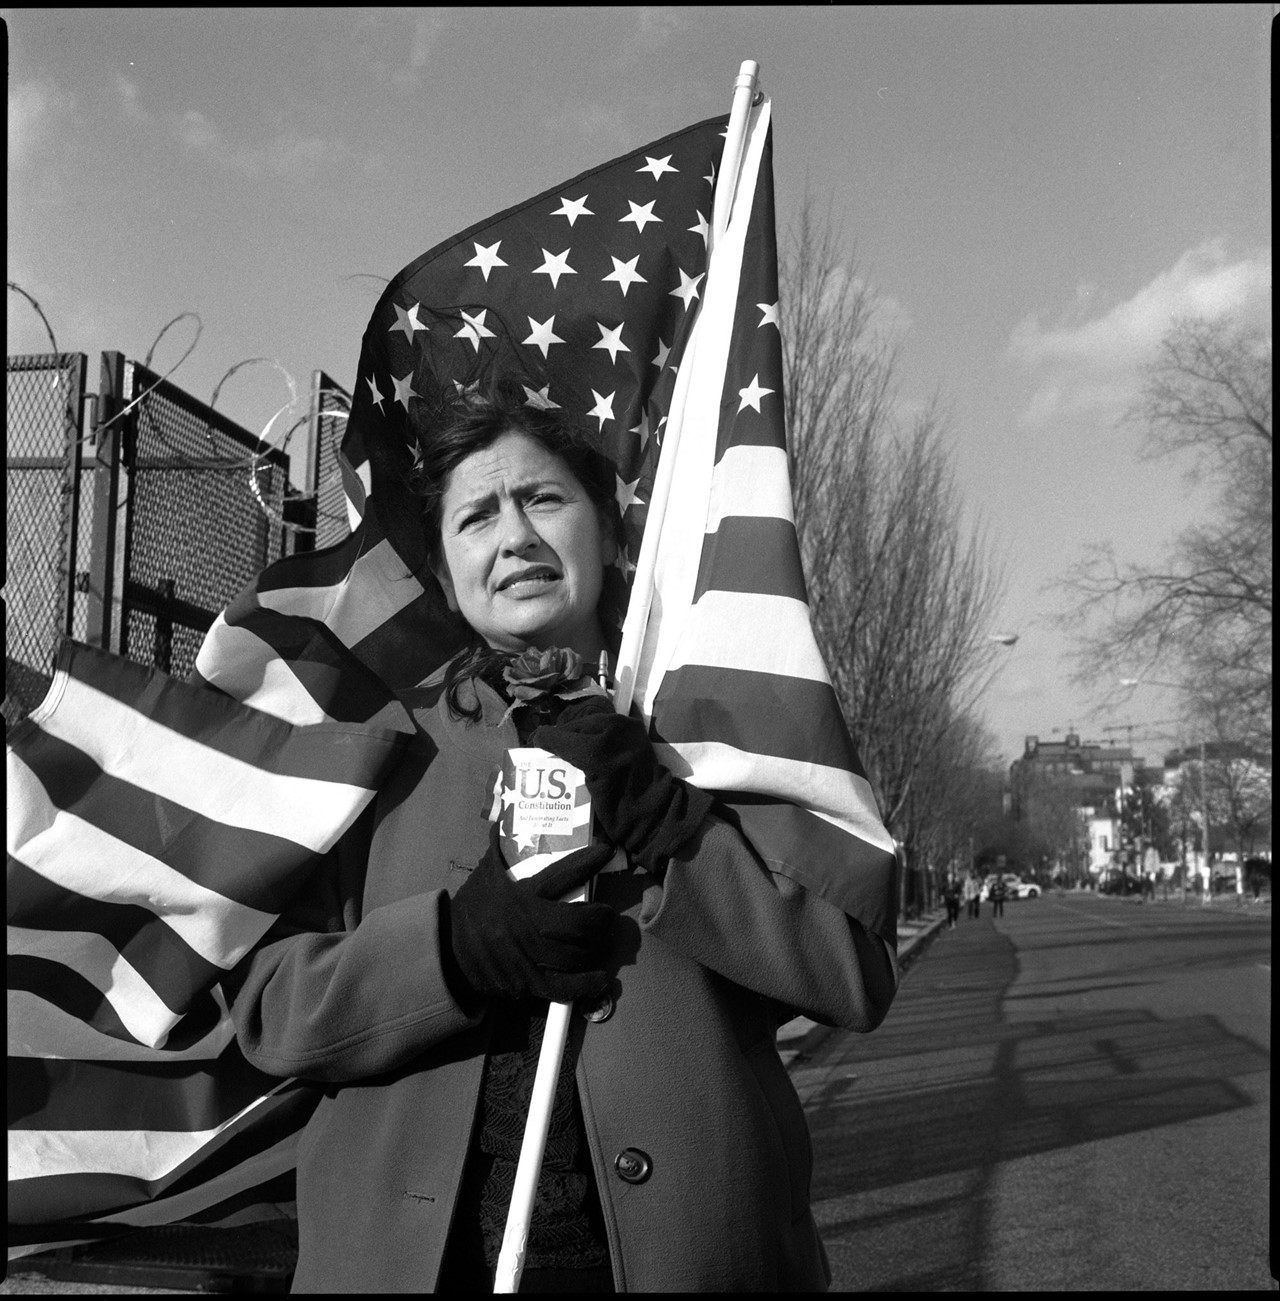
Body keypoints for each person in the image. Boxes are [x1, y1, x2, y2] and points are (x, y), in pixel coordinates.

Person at [226, 378, 898, 1294]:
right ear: (446, 568)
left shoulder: (716, 724)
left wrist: (672, 830)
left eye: (543, 497)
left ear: (610, 530)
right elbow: (267, 1012)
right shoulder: (366, 740)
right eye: (476, 518)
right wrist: (449, 953)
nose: (515, 537)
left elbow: (851, 969)